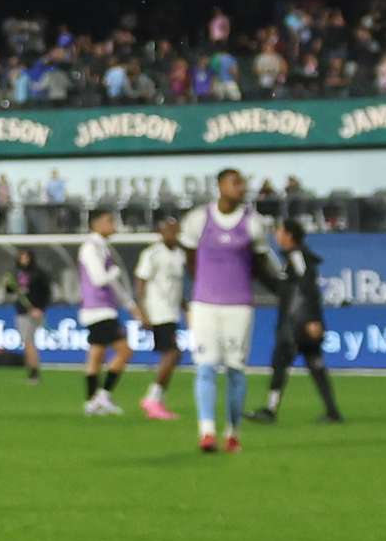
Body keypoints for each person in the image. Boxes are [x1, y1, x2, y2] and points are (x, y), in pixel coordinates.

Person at [185, 169, 261, 453]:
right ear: (220, 186)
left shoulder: (253, 223)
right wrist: (204, 286)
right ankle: (206, 432)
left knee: (235, 370)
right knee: (204, 367)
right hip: (205, 304)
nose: (241, 187)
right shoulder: (198, 219)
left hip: (238, 306)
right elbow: (189, 257)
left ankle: (232, 432)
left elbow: (258, 262)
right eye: (235, 182)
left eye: (242, 182)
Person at [251, 221, 343, 424]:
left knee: (281, 364)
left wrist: (312, 319)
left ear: (289, 235)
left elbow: (307, 286)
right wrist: (259, 273)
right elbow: (283, 289)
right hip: (299, 321)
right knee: (315, 366)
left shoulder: (296, 257)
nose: (276, 234)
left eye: (280, 231)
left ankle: (270, 410)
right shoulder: (292, 259)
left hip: (296, 323)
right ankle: (332, 411)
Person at [72, 208, 131, 414]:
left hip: (98, 308)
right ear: (95, 224)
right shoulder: (91, 248)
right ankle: (103, 395)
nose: (113, 224)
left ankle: (92, 400)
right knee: (124, 351)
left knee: (96, 354)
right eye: (109, 220)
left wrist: (128, 303)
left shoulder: (100, 247)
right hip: (99, 309)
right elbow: (99, 278)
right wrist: (114, 272)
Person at [133, 214, 189, 420]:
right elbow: (140, 285)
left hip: (171, 311)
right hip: (158, 311)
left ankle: (157, 399)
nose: (173, 234)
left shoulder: (180, 255)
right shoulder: (152, 254)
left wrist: (185, 307)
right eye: (169, 229)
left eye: (176, 230)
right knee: (172, 353)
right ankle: (152, 399)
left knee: (174, 354)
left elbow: (177, 286)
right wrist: (143, 313)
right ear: (160, 231)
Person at [7, 249, 54, 382]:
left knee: (28, 341)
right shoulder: (16, 273)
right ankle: (31, 372)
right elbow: (11, 290)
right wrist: (9, 285)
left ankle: (34, 373)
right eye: (21, 257)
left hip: (34, 311)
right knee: (27, 342)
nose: (24, 260)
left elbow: (46, 293)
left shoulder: (39, 274)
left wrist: (40, 308)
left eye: (26, 257)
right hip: (21, 311)